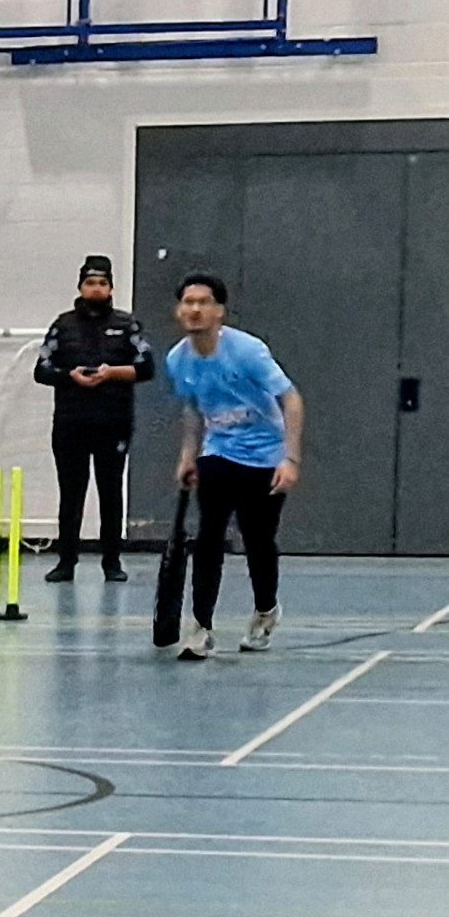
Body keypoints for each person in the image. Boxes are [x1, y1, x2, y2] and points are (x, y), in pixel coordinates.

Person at [165, 274, 301, 660]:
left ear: (219, 311)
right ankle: (200, 626)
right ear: (179, 310)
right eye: (188, 302)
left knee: (258, 541)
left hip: (264, 455)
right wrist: (188, 456)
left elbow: (291, 400)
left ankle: (265, 610)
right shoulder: (178, 359)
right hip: (218, 453)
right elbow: (192, 409)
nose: (195, 309)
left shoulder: (247, 351)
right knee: (208, 538)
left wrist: (290, 459)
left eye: (204, 302)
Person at [32, 253, 154, 583]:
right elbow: (41, 370)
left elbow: (147, 368)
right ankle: (66, 562)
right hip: (71, 423)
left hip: (113, 423)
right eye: (90, 282)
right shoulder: (63, 324)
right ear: (80, 286)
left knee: (111, 493)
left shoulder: (127, 325)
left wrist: (112, 373)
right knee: (71, 494)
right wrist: (70, 376)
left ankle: (112, 563)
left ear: (111, 287)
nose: (96, 289)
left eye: (102, 283)